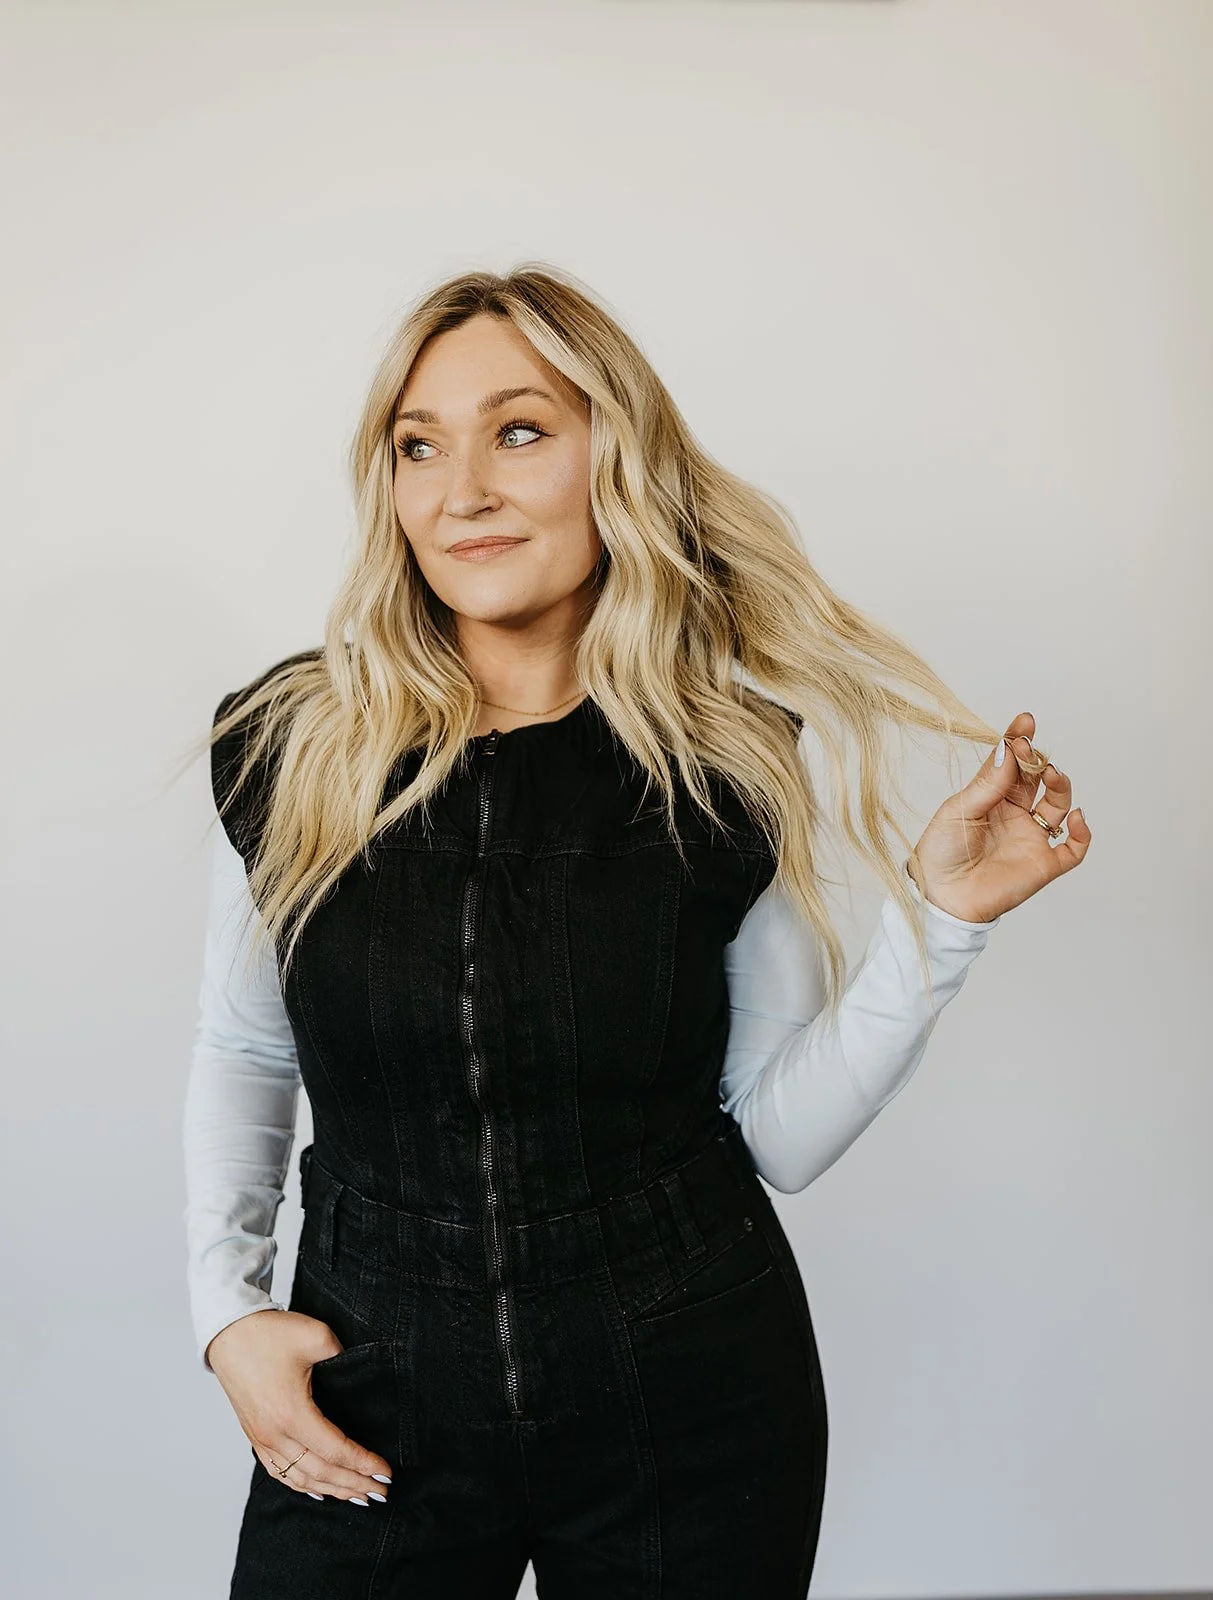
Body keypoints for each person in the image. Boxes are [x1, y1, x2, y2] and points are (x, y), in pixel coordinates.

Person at [183, 264, 1090, 1599]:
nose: (462, 489)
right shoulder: (294, 745)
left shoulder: (721, 765)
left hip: (690, 1391)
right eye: (417, 445)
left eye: (521, 430)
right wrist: (232, 1316)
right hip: (373, 1386)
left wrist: (943, 920)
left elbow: (774, 1134)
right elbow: (246, 1048)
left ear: (621, 457)